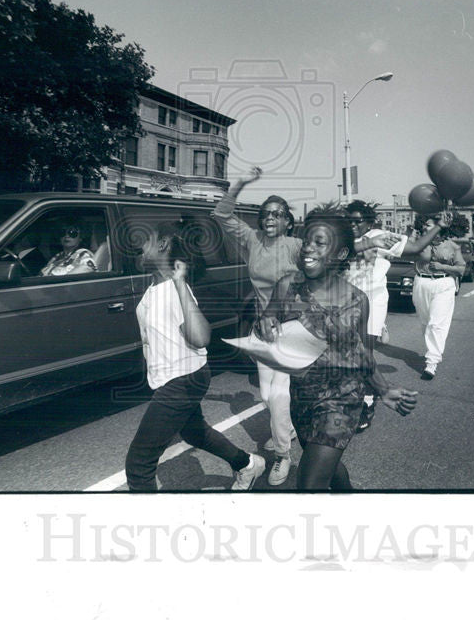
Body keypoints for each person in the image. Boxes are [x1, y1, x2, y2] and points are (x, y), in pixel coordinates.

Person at [257, 205, 417, 490]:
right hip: (303, 396)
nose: (309, 248)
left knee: (309, 485)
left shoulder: (356, 300)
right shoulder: (287, 287)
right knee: (326, 469)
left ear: (340, 254)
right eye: (307, 240)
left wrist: (383, 389)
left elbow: (362, 354)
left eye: (320, 243)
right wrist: (266, 324)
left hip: (342, 399)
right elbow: (267, 318)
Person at [124, 221, 264, 491]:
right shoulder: (155, 288)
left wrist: (179, 283)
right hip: (175, 377)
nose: (138, 247)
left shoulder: (176, 289)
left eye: (145, 240)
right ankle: (247, 464)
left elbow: (201, 338)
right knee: (194, 432)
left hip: (183, 379)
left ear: (163, 244)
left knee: (139, 464)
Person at [212, 166, 304, 487]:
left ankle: (283, 454)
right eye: (265, 213)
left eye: (277, 214)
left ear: (288, 221)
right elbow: (221, 213)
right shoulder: (253, 240)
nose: (269, 218)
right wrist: (241, 183)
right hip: (262, 330)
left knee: (278, 395)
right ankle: (288, 429)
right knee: (266, 393)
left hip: (291, 329)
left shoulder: (295, 246)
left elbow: (324, 260)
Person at [344, 200, 399, 433]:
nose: (353, 225)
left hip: (373, 302)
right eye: (349, 220)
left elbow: (415, 249)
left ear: (369, 221)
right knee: (346, 354)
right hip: (347, 303)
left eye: (358, 221)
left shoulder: (380, 235)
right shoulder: (343, 239)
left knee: (364, 354)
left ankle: (368, 401)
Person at [392, 212, 467, 381]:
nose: (424, 227)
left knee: (436, 323)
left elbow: (461, 269)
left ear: (439, 227)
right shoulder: (419, 245)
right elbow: (401, 250)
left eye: (428, 225)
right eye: (424, 225)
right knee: (426, 323)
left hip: (443, 284)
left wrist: (442, 266)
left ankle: (431, 363)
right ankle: (432, 352)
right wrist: (408, 233)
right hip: (421, 283)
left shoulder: (452, 246)